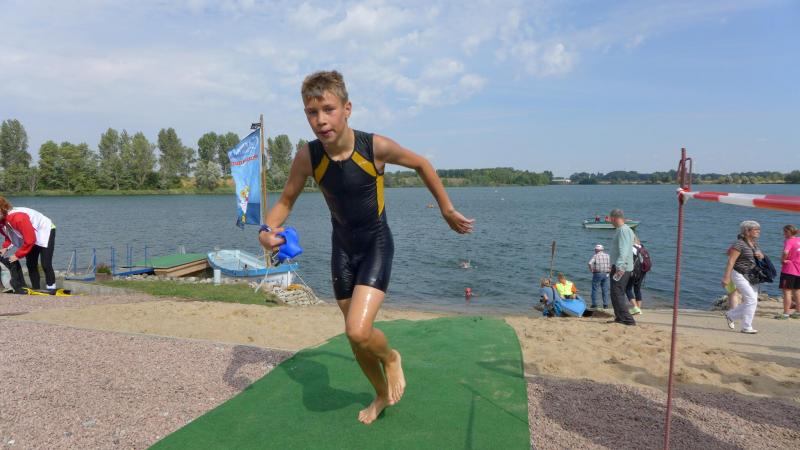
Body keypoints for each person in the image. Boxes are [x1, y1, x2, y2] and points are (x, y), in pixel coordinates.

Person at [258, 71, 474, 425]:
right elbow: (285, 201)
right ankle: (381, 394)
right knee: (356, 340)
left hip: (375, 243)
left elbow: (421, 163)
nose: (320, 120)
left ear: (347, 109)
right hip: (342, 249)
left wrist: (446, 209)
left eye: (328, 109)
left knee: (358, 331)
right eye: (312, 112)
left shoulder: (373, 147)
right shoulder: (308, 157)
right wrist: (266, 232)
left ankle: (391, 358)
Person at [0, 197, 57, 294]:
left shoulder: (18, 217)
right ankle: (36, 289)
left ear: (2, 209)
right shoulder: (1, 221)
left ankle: (52, 289)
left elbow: (30, 240)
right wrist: (5, 247)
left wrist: (17, 255)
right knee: (31, 264)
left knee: (46, 263)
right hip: (29, 233)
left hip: (45, 230)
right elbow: (9, 235)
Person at [721, 220, 763, 334]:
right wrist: (726, 277)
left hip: (752, 276)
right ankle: (746, 327)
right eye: (756, 229)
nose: (758, 231)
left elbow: (759, 258)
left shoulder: (754, 244)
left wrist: (761, 256)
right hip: (739, 274)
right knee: (751, 299)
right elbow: (731, 261)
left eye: (759, 229)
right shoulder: (739, 244)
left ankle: (731, 315)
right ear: (747, 231)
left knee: (752, 301)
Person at [608, 208, 636, 325]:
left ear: (614, 218)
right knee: (614, 293)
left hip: (622, 267)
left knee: (617, 293)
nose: (610, 221)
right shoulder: (624, 230)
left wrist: (619, 267)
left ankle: (628, 319)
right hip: (620, 266)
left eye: (610, 219)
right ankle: (619, 317)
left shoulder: (623, 230)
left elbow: (624, 250)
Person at [776, 224, 800, 319]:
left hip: (789, 270)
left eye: (785, 232)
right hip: (798, 270)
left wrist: (783, 260)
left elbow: (785, 252)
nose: (784, 234)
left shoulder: (789, 241)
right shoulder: (799, 240)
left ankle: (786, 313)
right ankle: (798, 312)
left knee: (787, 292)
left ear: (788, 232)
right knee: (797, 291)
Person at [626, 235, 645, 315]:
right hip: (642, 271)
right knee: (637, 289)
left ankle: (635, 307)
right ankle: (639, 309)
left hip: (634, 271)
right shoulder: (642, 248)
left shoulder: (631, 248)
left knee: (628, 289)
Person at [587, 244, 610, 309]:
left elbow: (589, 263)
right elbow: (611, 263)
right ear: (602, 250)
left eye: (595, 250)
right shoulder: (607, 255)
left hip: (598, 273)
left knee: (595, 289)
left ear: (597, 250)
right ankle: (605, 305)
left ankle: (594, 304)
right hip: (606, 274)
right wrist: (610, 269)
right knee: (605, 289)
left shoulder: (595, 256)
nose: (595, 250)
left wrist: (591, 270)